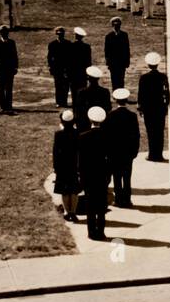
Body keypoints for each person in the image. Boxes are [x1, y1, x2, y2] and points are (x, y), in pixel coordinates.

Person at [78, 106, 110, 240]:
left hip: (88, 175)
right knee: (101, 206)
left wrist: (81, 175)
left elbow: (81, 160)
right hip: (102, 175)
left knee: (90, 205)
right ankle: (101, 231)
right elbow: (109, 157)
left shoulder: (83, 137)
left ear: (89, 119)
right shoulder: (107, 136)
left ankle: (91, 232)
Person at [104, 88, 141, 208]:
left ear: (115, 100)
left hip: (114, 152)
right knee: (127, 176)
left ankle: (119, 199)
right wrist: (134, 151)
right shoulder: (132, 116)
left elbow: (107, 136)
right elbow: (136, 135)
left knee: (117, 176)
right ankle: (127, 199)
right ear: (126, 100)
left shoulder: (110, 116)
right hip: (127, 152)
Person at [137, 51, 169, 162]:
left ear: (148, 64)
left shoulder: (144, 78)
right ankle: (159, 154)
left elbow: (141, 94)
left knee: (150, 131)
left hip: (148, 109)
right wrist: (166, 106)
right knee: (159, 131)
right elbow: (166, 93)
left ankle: (152, 154)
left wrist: (140, 108)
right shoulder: (163, 76)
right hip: (160, 108)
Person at [52, 109, 81, 221]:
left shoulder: (58, 134)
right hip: (74, 165)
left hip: (62, 165)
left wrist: (55, 166)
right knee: (74, 190)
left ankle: (66, 211)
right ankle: (73, 212)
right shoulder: (77, 133)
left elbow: (55, 152)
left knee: (64, 191)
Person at [0, 25, 19, 113]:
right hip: (0, 70)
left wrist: (15, 67)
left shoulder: (12, 43)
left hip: (10, 69)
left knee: (9, 88)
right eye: (2, 33)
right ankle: (3, 106)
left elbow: (15, 55)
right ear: (0, 34)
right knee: (1, 88)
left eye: (6, 32)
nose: (4, 34)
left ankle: (9, 105)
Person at [74, 65, 111, 132]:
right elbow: (108, 108)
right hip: (101, 123)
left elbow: (78, 110)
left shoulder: (82, 92)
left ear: (88, 78)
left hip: (85, 125)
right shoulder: (105, 92)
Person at [66, 27, 94, 104]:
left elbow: (68, 61)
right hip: (82, 72)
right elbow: (88, 61)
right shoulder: (86, 47)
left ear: (75, 36)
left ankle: (75, 104)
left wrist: (67, 72)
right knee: (82, 89)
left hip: (73, 72)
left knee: (74, 90)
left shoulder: (70, 46)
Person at [104, 17, 131, 90]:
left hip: (122, 62)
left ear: (120, 25)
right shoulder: (108, 36)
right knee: (114, 80)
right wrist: (108, 62)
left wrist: (127, 61)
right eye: (115, 25)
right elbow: (107, 51)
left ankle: (121, 95)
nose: (116, 27)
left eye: (118, 26)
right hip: (113, 63)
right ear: (112, 25)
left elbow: (127, 49)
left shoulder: (124, 35)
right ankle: (115, 94)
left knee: (121, 79)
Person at [47, 27, 70, 106]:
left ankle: (64, 101)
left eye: (61, 34)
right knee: (58, 85)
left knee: (66, 85)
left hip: (66, 67)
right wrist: (50, 67)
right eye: (59, 34)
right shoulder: (52, 44)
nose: (60, 35)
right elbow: (49, 57)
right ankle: (58, 102)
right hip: (57, 68)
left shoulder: (68, 43)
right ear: (56, 34)